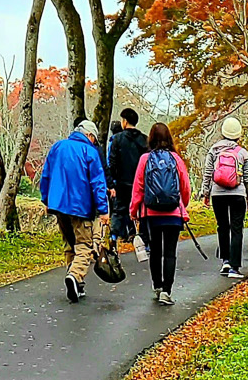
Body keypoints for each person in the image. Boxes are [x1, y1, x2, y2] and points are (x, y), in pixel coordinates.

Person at [38, 118, 109, 303]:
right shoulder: (90, 152)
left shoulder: (57, 147)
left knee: (69, 243)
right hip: (80, 207)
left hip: (58, 205)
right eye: (94, 139)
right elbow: (98, 183)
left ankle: (77, 283)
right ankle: (75, 276)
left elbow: (46, 175)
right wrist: (103, 210)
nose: (95, 142)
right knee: (84, 245)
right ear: (89, 135)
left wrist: (45, 199)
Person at [130, 122, 192, 306]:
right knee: (170, 253)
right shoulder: (175, 158)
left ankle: (157, 286)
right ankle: (167, 291)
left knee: (155, 251)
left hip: (151, 213)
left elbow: (138, 188)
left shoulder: (145, 159)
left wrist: (133, 211)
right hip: (173, 213)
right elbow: (185, 186)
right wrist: (182, 205)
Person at [199, 115, 248, 279]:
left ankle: (225, 261)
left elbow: (208, 173)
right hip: (238, 194)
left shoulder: (214, 150)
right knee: (236, 229)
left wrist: (205, 193)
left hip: (218, 194)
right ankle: (234, 268)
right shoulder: (242, 153)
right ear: (238, 134)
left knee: (223, 226)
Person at [104, 108, 149, 253]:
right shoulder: (144, 139)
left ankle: (113, 237)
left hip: (122, 183)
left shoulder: (117, 139)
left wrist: (112, 183)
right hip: (141, 183)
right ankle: (144, 240)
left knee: (119, 211)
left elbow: (112, 162)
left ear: (124, 121)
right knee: (142, 212)